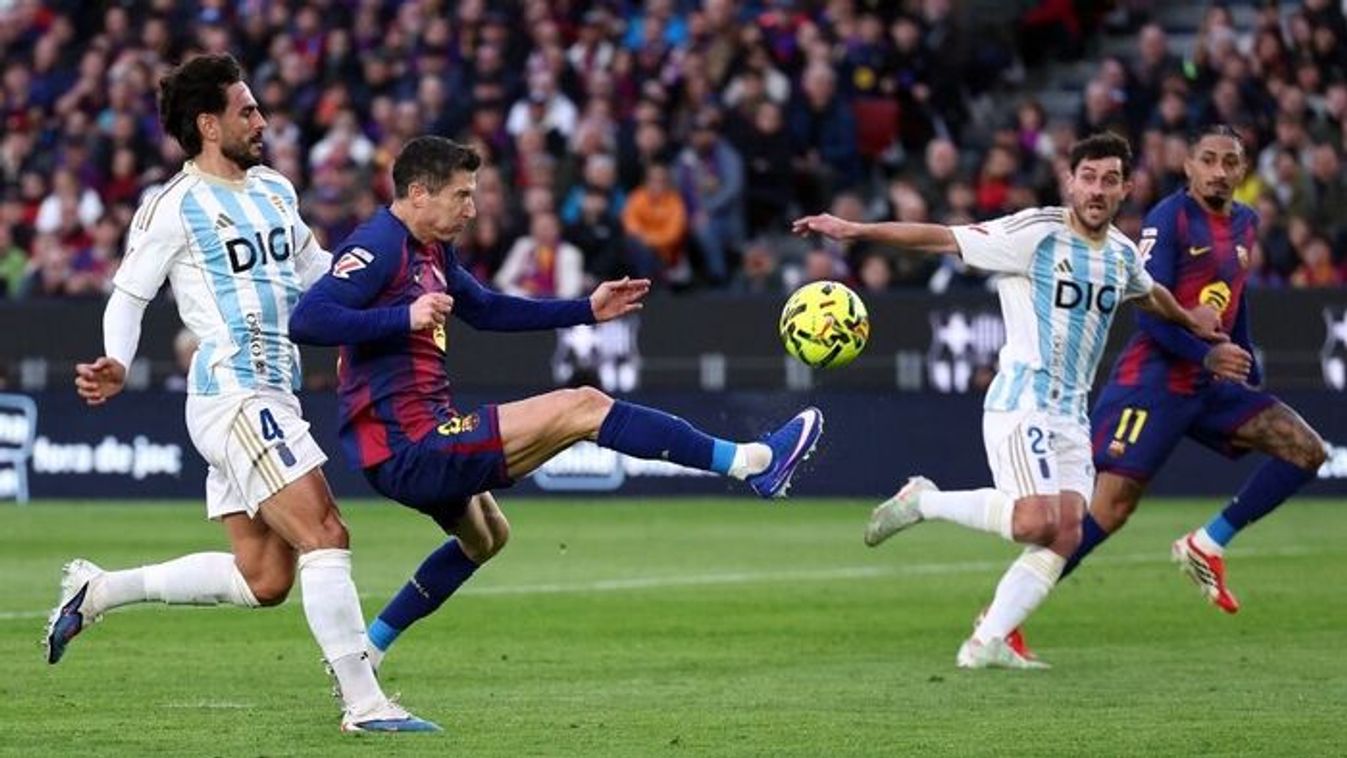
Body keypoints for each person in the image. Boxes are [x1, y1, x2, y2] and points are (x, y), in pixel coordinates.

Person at [288, 135, 822, 670]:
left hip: (419, 436)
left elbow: (488, 310)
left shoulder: (431, 249)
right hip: (409, 444)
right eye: (461, 195)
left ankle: (368, 651)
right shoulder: (380, 244)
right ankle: (752, 463)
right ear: (419, 194)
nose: (471, 210)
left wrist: (586, 310)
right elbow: (308, 319)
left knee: (487, 538)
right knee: (583, 405)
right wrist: (403, 317)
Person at [51, 54, 435, 733]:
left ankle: (100, 589)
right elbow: (129, 296)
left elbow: (319, 275)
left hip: (275, 393)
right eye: (247, 110)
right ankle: (365, 703)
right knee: (326, 532)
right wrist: (117, 361)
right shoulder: (174, 205)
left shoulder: (274, 190)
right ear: (208, 124)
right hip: (231, 393)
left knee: (265, 579)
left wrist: (393, 293)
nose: (261, 120)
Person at [792, 132, 1225, 669]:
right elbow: (942, 239)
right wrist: (857, 230)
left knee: (1068, 533)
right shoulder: (1035, 233)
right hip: (1023, 399)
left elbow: (1147, 291)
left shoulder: (1120, 253)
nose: (1096, 189)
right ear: (1069, 182)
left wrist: (1189, 320)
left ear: (1125, 190)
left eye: (1109, 180)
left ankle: (987, 641)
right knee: (1034, 522)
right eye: (1088, 178)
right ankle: (923, 501)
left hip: (1071, 413)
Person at [1058, 125, 1328, 610]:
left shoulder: (1246, 222)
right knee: (1109, 509)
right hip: (1153, 382)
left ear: (1243, 171)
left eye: (1230, 162)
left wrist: (1244, 360)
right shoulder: (1170, 219)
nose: (1219, 171)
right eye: (1208, 160)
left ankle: (1206, 544)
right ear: (1188, 166)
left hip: (1209, 384)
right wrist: (1207, 354)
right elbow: (1147, 312)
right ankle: (1002, 615)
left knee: (1307, 450)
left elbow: (1235, 297)